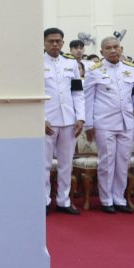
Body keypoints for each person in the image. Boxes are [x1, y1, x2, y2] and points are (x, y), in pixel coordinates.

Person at [84, 36, 134, 213]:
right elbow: (88, 99)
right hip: (104, 122)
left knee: (123, 162)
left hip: (127, 121)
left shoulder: (131, 69)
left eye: (115, 47)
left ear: (121, 48)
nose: (112, 50)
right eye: (108, 48)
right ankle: (106, 199)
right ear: (101, 51)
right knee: (107, 161)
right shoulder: (94, 71)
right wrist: (89, 125)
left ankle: (119, 198)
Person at [43, 28, 84, 214]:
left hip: (69, 120)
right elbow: (35, 95)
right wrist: (41, 119)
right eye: (51, 41)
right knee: (44, 164)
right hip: (47, 122)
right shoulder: (36, 63)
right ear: (44, 43)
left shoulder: (70, 63)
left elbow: (77, 92)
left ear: (62, 42)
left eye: (58, 41)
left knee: (66, 164)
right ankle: (44, 200)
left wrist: (80, 117)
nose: (54, 44)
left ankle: (64, 201)